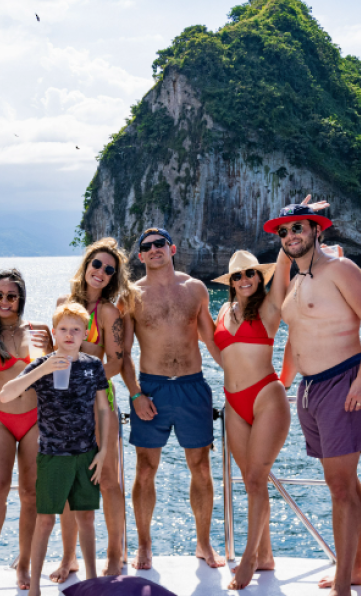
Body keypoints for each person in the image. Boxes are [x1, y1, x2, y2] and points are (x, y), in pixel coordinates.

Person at [264, 201, 361, 596]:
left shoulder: (341, 269)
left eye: (297, 228)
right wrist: (281, 384)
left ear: (317, 230)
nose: (289, 236)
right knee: (345, 485)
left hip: (343, 381)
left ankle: (342, 584)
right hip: (310, 389)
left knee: (338, 487)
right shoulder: (296, 280)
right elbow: (293, 335)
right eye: (283, 232)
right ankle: (359, 570)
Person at [121, 227, 225, 570]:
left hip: (193, 386)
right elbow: (123, 353)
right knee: (146, 468)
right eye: (146, 247)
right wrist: (135, 393)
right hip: (152, 388)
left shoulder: (195, 289)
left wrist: (238, 378)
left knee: (201, 467)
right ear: (140, 256)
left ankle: (204, 543)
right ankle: (144, 545)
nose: (153, 250)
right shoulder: (132, 295)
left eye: (159, 244)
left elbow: (210, 339)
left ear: (172, 248)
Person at [0, 302, 116, 596]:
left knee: (86, 518)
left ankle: (91, 583)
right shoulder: (43, 364)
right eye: (63, 329)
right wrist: (43, 370)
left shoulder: (92, 365)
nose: (69, 334)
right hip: (52, 455)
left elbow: (104, 409)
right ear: (54, 332)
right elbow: (5, 394)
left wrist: (104, 452)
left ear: (84, 334)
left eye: (76, 329)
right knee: (46, 520)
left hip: (86, 454)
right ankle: (35, 588)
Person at [52, 238, 138, 580]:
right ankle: (69, 558)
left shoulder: (107, 312)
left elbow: (116, 362)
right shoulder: (62, 303)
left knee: (108, 481)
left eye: (109, 270)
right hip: (64, 404)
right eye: (97, 265)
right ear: (86, 265)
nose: (101, 272)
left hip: (98, 400)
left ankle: (115, 555)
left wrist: (82, 381)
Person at [0, 269, 51, 593]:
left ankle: (24, 562)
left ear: (20, 300)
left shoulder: (39, 331)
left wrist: (49, 353)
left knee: (30, 494)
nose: (4, 301)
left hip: (35, 419)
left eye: (11, 296)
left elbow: (54, 378)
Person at [210, 250, 291, 590]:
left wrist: (293, 226)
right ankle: (266, 555)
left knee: (257, 480)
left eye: (250, 274)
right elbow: (220, 352)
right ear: (230, 282)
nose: (244, 279)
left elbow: (285, 266)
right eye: (237, 276)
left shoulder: (270, 307)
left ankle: (249, 559)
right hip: (233, 403)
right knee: (250, 481)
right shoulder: (224, 311)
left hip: (266, 397)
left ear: (260, 277)